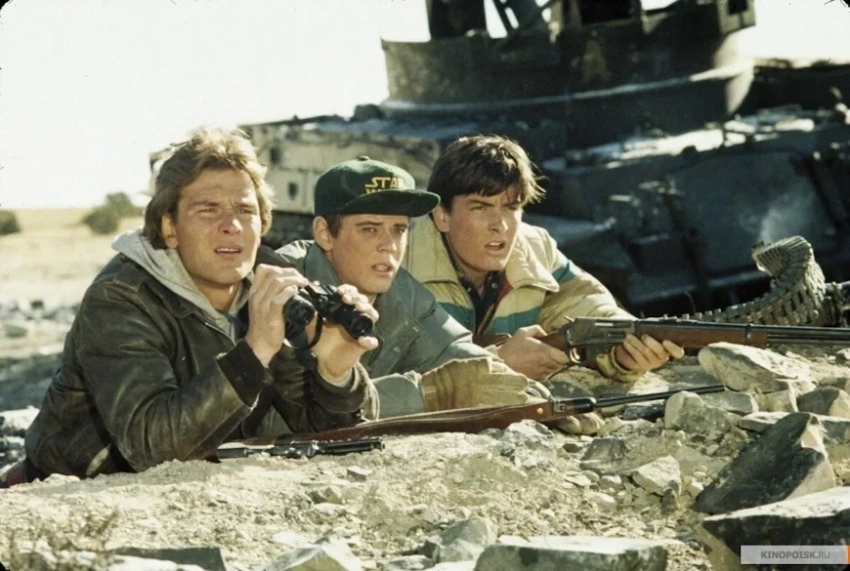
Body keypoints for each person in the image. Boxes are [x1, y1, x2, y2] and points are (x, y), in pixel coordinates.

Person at [1, 128, 380, 487]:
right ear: (170, 228)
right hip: (71, 489)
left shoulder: (269, 284)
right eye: (208, 210)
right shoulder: (120, 298)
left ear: (263, 223)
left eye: (245, 210)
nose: (231, 225)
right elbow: (150, 448)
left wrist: (335, 372)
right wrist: (254, 351)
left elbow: (322, 432)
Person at [266, 155, 534, 425]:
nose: (390, 245)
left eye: (399, 230)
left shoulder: (405, 294)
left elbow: (466, 361)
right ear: (325, 234)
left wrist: (535, 399)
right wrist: (428, 394)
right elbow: (283, 421)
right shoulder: (281, 287)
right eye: (370, 229)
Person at [404, 134, 684, 382]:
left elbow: (590, 307)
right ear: (443, 216)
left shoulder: (534, 248)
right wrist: (497, 364)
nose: (500, 225)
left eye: (511, 208)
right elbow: (389, 380)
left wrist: (624, 353)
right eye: (480, 208)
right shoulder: (399, 263)